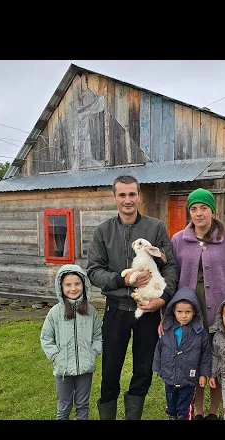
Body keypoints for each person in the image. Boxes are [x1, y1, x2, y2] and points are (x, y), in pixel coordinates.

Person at [87, 174, 178, 420]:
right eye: (122, 195)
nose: (127, 200)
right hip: (116, 309)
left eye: (132, 194)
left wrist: (163, 298)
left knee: (143, 369)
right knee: (110, 370)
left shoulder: (155, 228)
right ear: (114, 197)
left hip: (148, 309)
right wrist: (124, 281)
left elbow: (169, 265)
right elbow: (94, 271)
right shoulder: (103, 231)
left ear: (139, 196)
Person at [169, 187, 225, 420]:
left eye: (204, 208)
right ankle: (197, 410)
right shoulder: (179, 240)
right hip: (189, 312)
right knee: (193, 360)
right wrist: (166, 313)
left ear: (213, 211)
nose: (198, 213)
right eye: (194, 209)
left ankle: (214, 411)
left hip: (220, 313)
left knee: (219, 362)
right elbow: (170, 276)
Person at [40, 264, 102, 420]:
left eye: (77, 284)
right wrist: (56, 356)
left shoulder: (90, 311)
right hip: (63, 370)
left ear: (84, 285)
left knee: (83, 406)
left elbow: (98, 335)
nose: (73, 288)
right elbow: (46, 338)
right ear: (61, 287)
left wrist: (92, 353)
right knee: (64, 406)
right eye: (68, 284)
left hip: (85, 369)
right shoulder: (55, 313)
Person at [153, 286, 211, 420]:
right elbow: (159, 349)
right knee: (171, 406)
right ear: (173, 311)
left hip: (189, 377)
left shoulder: (200, 332)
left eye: (188, 312)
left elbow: (205, 355)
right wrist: (159, 368)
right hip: (170, 375)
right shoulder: (167, 329)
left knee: (185, 408)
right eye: (180, 311)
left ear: (194, 311)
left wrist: (203, 374)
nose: (184, 316)